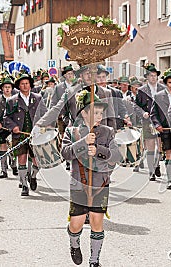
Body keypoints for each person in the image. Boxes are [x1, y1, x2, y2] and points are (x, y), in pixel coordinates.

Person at [61, 90, 120, 267]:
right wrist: (83, 142)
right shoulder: (72, 132)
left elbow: (116, 156)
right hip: (79, 183)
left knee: (97, 220)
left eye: (101, 112)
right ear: (84, 113)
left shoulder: (108, 132)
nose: (100, 116)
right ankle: (74, 244)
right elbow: (65, 153)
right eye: (95, 112)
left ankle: (94, 261)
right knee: (76, 224)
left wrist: (100, 151)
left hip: (101, 183)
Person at [4, 74, 42, 196]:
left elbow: (45, 114)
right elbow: (6, 117)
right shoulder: (12, 100)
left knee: (37, 160)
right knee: (22, 159)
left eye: (27, 83)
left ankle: (33, 176)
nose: (25, 86)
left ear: (30, 85)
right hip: (19, 134)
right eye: (22, 84)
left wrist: (41, 127)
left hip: (34, 134)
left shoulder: (38, 98)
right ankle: (24, 185)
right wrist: (13, 126)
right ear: (19, 86)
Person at [151, 69, 171, 189]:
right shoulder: (159, 96)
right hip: (165, 129)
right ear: (166, 83)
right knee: (169, 153)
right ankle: (170, 178)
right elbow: (153, 113)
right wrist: (157, 125)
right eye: (169, 82)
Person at [136, 64, 166, 181]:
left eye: (155, 76)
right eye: (151, 76)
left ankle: (156, 164)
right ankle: (151, 171)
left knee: (160, 146)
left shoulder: (163, 89)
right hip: (147, 121)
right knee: (150, 147)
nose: (153, 78)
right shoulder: (142, 90)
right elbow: (136, 106)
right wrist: (143, 113)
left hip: (160, 120)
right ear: (147, 77)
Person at [0, 77, 18, 179]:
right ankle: (3, 169)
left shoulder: (16, 99)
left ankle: (14, 165)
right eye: (5, 87)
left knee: (13, 147)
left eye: (9, 87)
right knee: (3, 147)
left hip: (13, 127)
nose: (7, 89)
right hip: (2, 127)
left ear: (12, 88)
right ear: (2, 88)